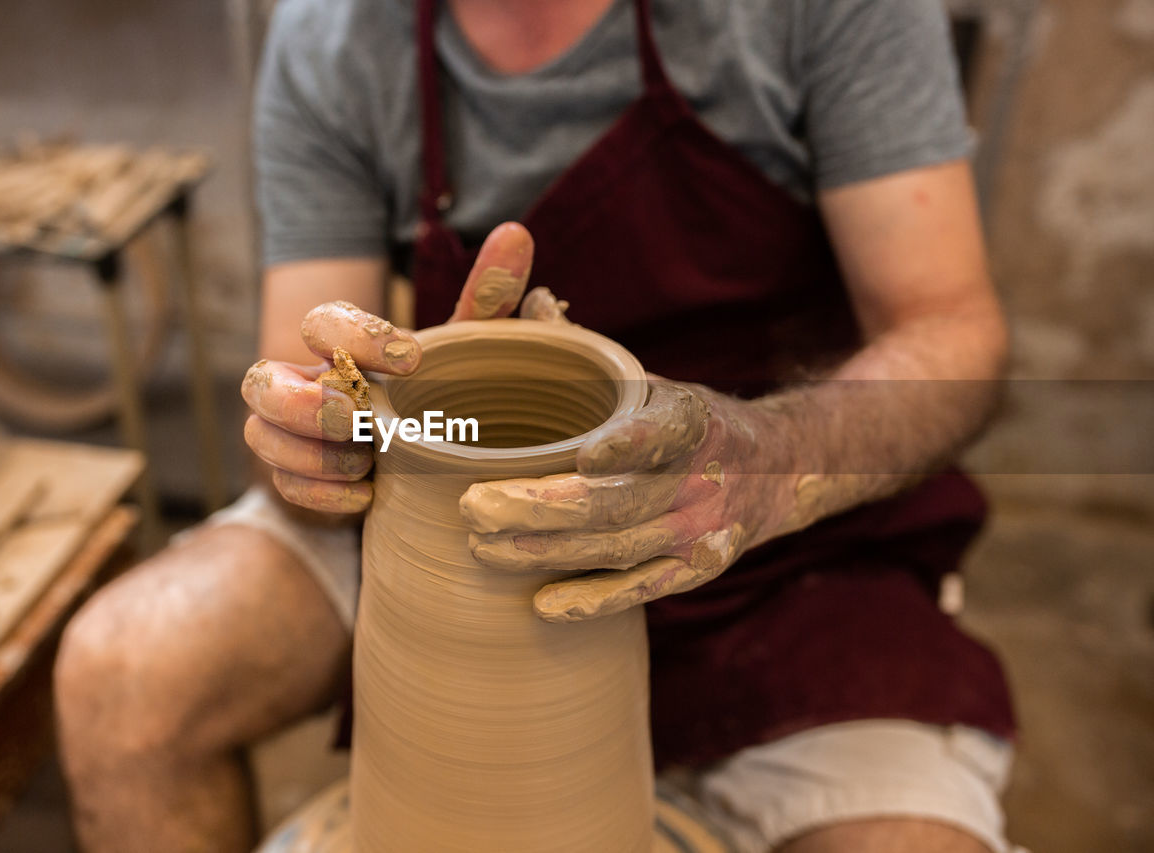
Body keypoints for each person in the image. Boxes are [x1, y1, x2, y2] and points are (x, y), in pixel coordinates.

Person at [54, 0, 1021, 850]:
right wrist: (325, 434)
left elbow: (952, 331)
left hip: (779, 527)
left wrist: (764, 460)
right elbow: (309, 386)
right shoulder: (333, 32)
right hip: (444, 510)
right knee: (122, 674)